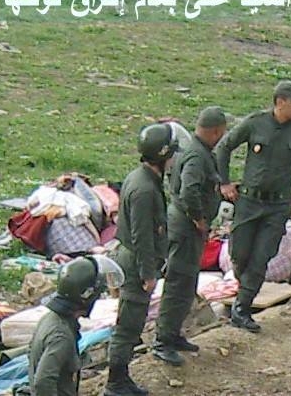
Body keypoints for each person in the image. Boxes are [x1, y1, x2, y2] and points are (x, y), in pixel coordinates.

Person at [215, 80, 291, 332]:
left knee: (262, 255)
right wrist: (224, 182)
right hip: (249, 202)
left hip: (278, 206)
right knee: (239, 254)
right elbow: (224, 147)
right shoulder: (255, 123)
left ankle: (242, 308)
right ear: (280, 102)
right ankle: (244, 290)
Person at [104, 123, 180, 396]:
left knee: (131, 323)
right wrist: (149, 273)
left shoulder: (142, 179)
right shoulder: (145, 189)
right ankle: (116, 383)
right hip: (136, 263)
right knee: (128, 326)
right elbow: (142, 237)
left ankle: (120, 379)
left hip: (134, 260)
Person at [153, 107, 227, 365]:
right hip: (186, 228)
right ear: (216, 131)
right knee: (178, 283)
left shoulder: (198, 151)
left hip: (188, 226)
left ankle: (173, 334)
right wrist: (199, 219)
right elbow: (189, 191)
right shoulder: (197, 156)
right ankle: (163, 340)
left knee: (187, 284)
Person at [28, 255, 124, 396]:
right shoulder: (62, 335)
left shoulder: (50, 319)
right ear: (87, 296)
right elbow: (43, 382)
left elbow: (31, 353)